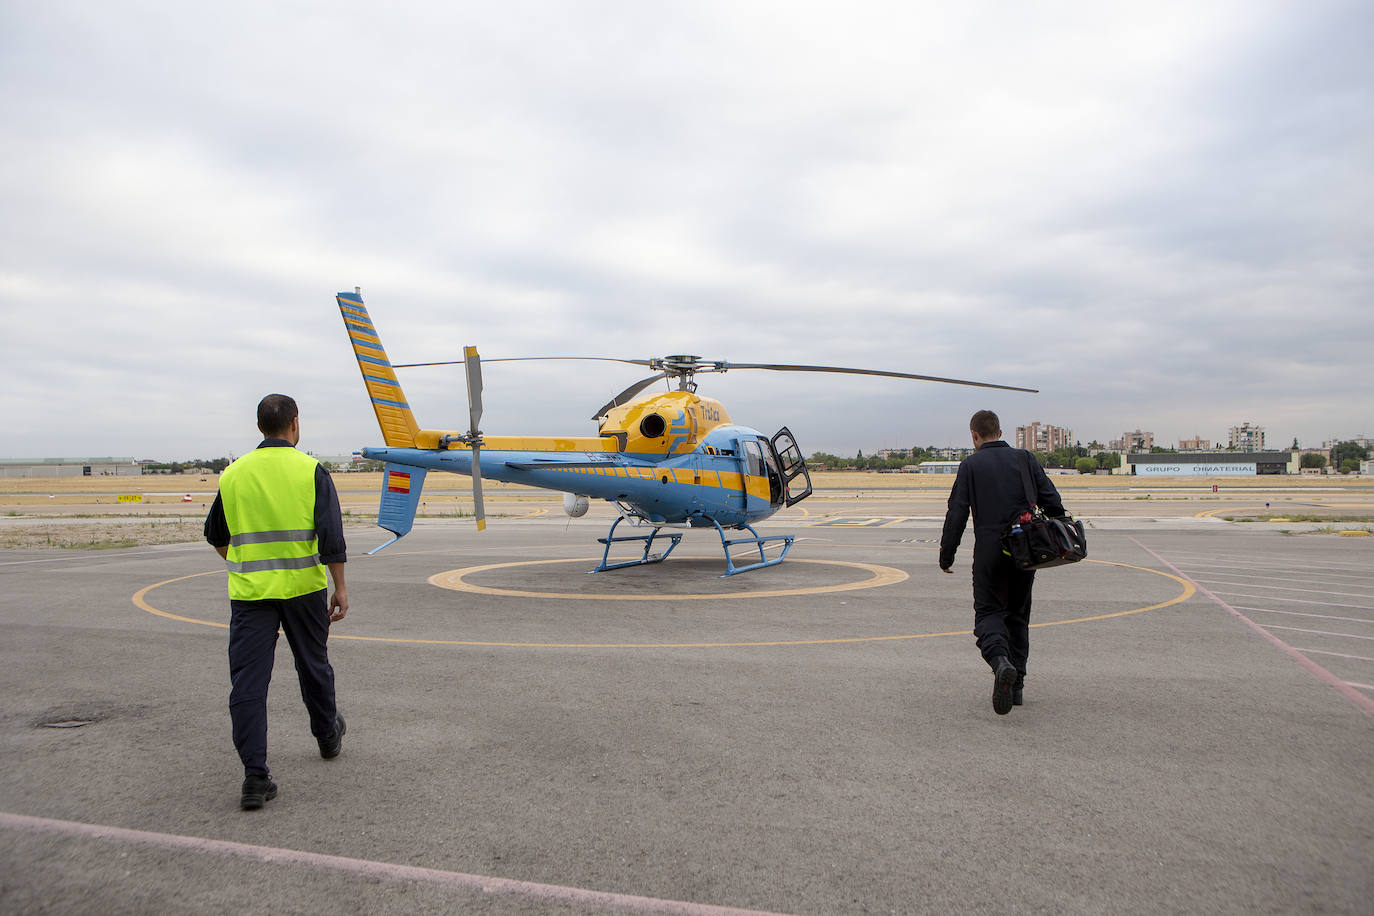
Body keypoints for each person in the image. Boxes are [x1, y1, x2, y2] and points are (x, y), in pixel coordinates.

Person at [204, 394, 349, 809]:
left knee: (248, 683)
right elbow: (332, 538)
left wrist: (243, 563)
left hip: (251, 595)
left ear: (259, 427)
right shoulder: (311, 471)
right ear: (295, 424)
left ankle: (254, 776)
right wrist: (340, 587)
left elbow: (216, 534)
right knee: (313, 666)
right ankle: (326, 735)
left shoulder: (232, 475)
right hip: (304, 590)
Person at [939, 410, 1064, 715]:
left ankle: (1000, 662)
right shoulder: (1025, 459)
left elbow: (957, 513)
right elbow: (1052, 500)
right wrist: (1061, 534)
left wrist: (947, 554)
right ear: (1000, 431)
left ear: (974, 435)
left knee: (988, 614)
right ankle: (1017, 685)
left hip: (990, 552)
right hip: (1025, 551)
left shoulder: (970, 465)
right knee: (1018, 616)